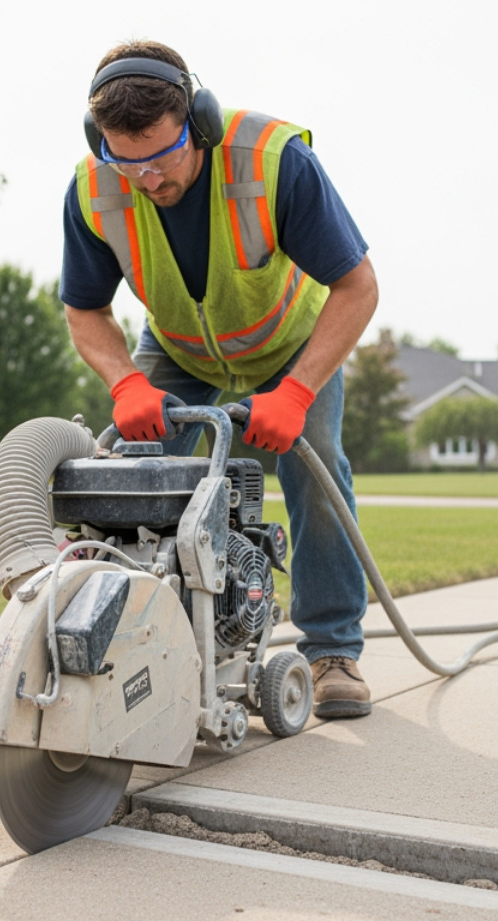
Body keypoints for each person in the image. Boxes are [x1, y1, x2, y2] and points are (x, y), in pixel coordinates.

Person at [60, 40, 378, 719]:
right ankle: (136, 635)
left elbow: (357, 288)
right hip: (177, 351)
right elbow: (84, 310)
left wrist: (295, 393)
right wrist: (125, 384)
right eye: (124, 157)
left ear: (197, 122)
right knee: (123, 479)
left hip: (293, 344)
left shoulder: (273, 162)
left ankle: (332, 651)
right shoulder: (93, 188)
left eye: (161, 155)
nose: (145, 177)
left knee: (317, 474)